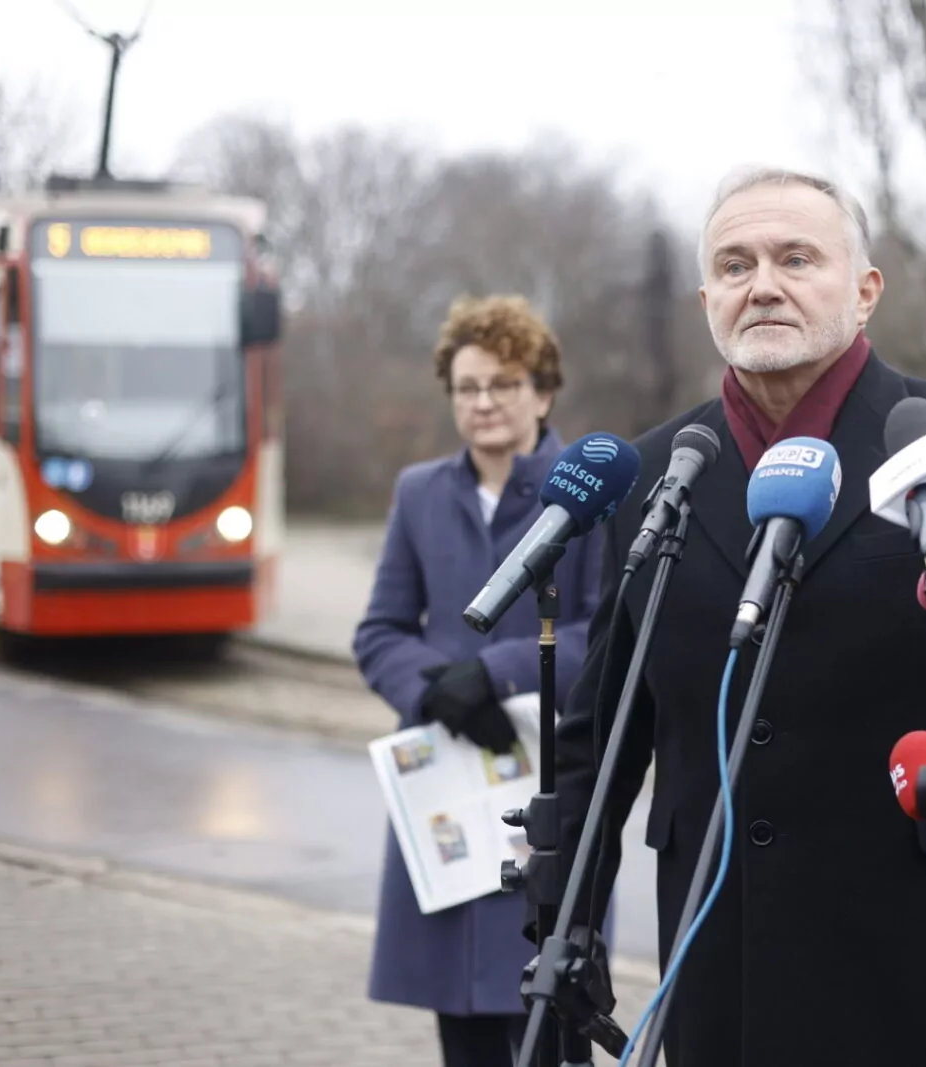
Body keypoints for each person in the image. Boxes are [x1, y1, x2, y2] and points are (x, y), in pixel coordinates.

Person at [549, 165, 926, 1067]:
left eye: (795, 257)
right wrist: (564, 922)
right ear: (707, 298)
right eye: (734, 265)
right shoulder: (660, 473)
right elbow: (605, 729)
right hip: (718, 952)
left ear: (864, 290)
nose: (762, 284)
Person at [353, 295, 603, 1067]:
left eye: (503, 382)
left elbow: (606, 633)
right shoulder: (420, 491)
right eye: (467, 387)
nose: (484, 401)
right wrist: (434, 688)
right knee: (461, 1033)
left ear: (543, 391)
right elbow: (379, 631)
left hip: (546, 786)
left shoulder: (589, 490)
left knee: (546, 1015)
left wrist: (492, 672)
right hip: (443, 795)